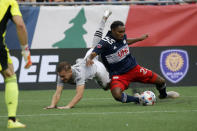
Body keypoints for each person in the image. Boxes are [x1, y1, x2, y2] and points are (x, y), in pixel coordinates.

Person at [86, 20, 179, 104]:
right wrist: (90, 59)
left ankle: (164, 95)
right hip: (119, 75)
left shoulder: (122, 37)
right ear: (113, 31)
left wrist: (139, 39)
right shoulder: (105, 42)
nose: (122, 34)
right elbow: (95, 51)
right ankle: (138, 99)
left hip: (134, 69)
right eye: (120, 32)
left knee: (161, 81)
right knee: (117, 95)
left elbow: (125, 41)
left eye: (123, 31)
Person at [44, 10, 112, 110]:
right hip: (86, 61)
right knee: (94, 47)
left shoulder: (79, 74)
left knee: (107, 87)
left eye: (63, 76)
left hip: (97, 69)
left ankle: (104, 19)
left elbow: (79, 95)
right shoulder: (62, 75)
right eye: (61, 76)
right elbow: (58, 93)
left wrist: (68, 106)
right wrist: (53, 105)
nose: (62, 79)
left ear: (70, 71)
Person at [0, 0, 32, 128]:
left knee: (10, 70)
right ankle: (11, 120)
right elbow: (20, 25)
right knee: (10, 75)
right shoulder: (9, 1)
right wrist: (26, 53)